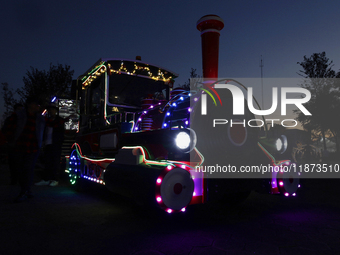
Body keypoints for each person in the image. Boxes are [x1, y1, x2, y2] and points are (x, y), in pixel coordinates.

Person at [4, 97, 45, 202]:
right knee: (22, 169)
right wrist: (11, 141)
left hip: (33, 147)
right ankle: (25, 190)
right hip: (20, 146)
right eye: (36, 105)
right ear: (30, 105)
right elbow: (7, 128)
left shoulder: (39, 118)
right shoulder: (18, 116)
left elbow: (49, 125)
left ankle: (25, 191)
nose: (38, 107)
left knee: (28, 169)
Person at [35, 104, 65, 187]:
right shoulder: (47, 121)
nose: (51, 111)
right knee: (47, 162)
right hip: (47, 143)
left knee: (55, 162)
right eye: (50, 110)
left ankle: (54, 179)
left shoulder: (59, 121)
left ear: (56, 112)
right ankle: (47, 179)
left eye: (53, 110)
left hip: (55, 144)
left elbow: (60, 131)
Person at [1, 103, 24, 185]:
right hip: (14, 143)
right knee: (14, 162)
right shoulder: (12, 119)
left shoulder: (18, 119)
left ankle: (16, 179)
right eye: (19, 109)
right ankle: (15, 179)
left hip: (19, 143)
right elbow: (5, 130)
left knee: (17, 162)